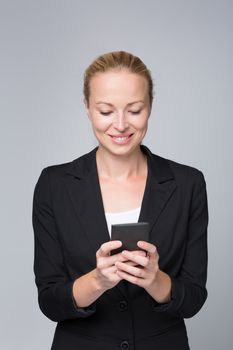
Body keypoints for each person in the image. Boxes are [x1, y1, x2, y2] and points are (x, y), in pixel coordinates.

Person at [32, 51, 208, 350]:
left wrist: (155, 279)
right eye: (106, 110)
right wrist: (98, 281)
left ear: (150, 106)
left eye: (135, 109)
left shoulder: (187, 183)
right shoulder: (54, 184)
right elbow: (50, 301)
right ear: (87, 107)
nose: (121, 124)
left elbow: (192, 299)